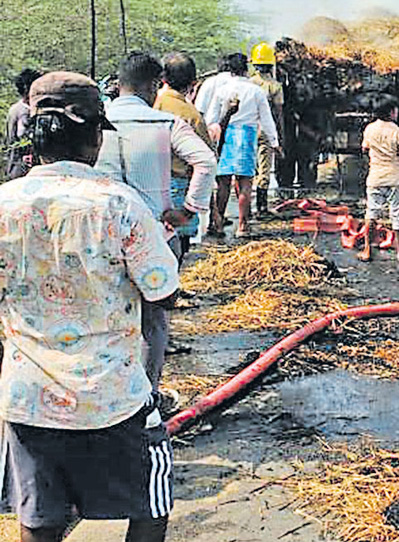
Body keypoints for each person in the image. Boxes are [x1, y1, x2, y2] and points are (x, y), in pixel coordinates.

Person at [0, 71, 179, 542]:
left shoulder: (3, 203)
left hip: (29, 400)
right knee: (151, 505)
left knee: (39, 520)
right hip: (113, 397)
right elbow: (162, 292)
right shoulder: (119, 204)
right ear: (95, 137)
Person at [95, 51, 216, 389]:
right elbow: (206, 162)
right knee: (154, 321)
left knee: (108, 317)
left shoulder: (94, 123)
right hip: (156, 235)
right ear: (153, 85)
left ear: (118, 84)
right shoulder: (164, 122)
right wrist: (189, 210)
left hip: (99, 237)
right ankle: (148, 396)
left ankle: (113, 391)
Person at [206, 53, 280, 238]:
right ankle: (242, 226)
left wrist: (209, 140)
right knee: (245, 183)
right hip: (247, 137)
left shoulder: (222, 90)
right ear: (246, 69)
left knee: (223, 183)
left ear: (230, 70)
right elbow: (267, 119)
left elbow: (211, 118)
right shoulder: (256, 91)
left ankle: (219, 223)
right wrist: (274, 142)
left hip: (225, 137)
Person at [154, 52, 215, 260]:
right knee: (179, 242)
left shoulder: (149, 103)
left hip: (148, 181)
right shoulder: (191, 114)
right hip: (178, 184)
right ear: (193, 83)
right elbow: (206, 156)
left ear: (162, 78)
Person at [358, 98, 399, 263]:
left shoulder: (370, 129)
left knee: (371, 213)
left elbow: (364, 148)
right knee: (396, 214)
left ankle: (367, 250)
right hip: (395, 178)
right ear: (391, 112)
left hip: (375, 177)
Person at [250, 41, 285, 217]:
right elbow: (278, 113)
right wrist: (280, 134)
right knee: (264, 168)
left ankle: (247, 207)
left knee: (250, 167)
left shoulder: (249, 83)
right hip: (265, 130)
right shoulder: (275, 86)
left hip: (248, 129)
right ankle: (262, 208)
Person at [3, 68, 42, 180]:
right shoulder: (21, 111)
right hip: (21, 170)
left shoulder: (16, 108)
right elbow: (17, 138)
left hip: (26, 167)